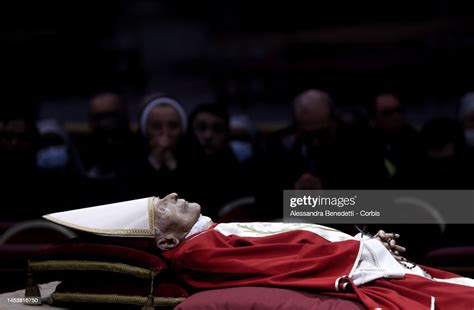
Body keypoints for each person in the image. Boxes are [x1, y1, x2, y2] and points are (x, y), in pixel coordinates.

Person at [152, 193, 474, 309]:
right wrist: (365, 249)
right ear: (166, 242)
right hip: (360, 270)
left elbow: (295, 243)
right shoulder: (199, 252)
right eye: (161, 207)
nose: (172, 195)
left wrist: (364, 242)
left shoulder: (209, 234)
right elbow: (287, 264)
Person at [127, 94, 188, 199]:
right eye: (157, 127)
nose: (165, 133)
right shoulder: (130, 168)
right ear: (146, 131)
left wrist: (173, 166)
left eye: (173, 126)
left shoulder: (197, 164)